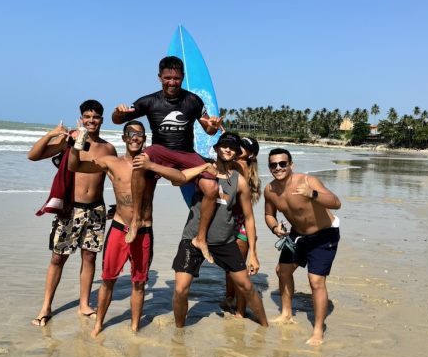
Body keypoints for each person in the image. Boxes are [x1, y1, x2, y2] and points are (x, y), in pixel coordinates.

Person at [67, 120, 214, 337]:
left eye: (139, 135)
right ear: (124, 138)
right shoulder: (112, 162)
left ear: (145, 140)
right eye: (130, 134)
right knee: (108, 279)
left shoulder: (150, 165)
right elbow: (74, 166)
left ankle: (135, 326)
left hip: (144, 230)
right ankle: (99, 324)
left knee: (139, 282)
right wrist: (78, 141)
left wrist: (199, 166)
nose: (135, 137)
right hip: (119, 228)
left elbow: (179, 179)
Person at [137, 132, 267, 328]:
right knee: (180, 289)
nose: (227, 149)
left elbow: (249, 218)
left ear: (236, 152)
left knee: (247, 286)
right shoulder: (201, 170)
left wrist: (254, 254)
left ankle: (265, 326)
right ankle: (179, 331)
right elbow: (177, 180)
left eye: (232, 147)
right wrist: (203, 167)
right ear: (216, 149)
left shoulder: (239, 180)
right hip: (192, 238)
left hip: (224, 240)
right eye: (223, 145)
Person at [112, 56, 222, 262]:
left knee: (212, 188)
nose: (172, 82)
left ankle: (201, 238)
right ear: (159, 77)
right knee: (140, 162)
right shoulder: (149, 101)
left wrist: (213, 126)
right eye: (167, 78)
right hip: (160, 151)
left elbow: (208, 129)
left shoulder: (193, 101)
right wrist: (118, 113)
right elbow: (118, 119)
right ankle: (135, 220)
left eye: (176, 78)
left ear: (183, 78)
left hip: (186, 153)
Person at [28, 100, 116, 327]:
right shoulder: (70, 140)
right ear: (81, 118)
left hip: (96, 209)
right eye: (87, 116)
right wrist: (52, 134)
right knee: (58, 257)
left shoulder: (108, 148)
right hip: (71, 209)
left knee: (89, 257)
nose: (91, 120)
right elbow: (34, 155)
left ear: (102, 120)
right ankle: (46, 306)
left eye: (95, 117)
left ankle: (84, 305)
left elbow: (117, 178)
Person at [263, 148, 342, 345]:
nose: (278, 168)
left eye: (283, 163)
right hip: (298, 235)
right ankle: (287, 314)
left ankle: (318, 331)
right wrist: (275, 227)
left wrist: (312, 194)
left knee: (315, 281)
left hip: (324, 235)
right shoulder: (270, 190)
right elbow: (268, 214)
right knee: (282, 271)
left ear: (291, 165)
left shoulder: (307, 181)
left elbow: (336, 202)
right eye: (273, 165)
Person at [225, 136, 261, 317]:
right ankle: (230, 299)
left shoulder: (239, 168)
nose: (238, 148)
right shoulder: (233, 164)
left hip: (238, 224)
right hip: (232, 222)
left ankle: (240, 310)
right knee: (230, 268)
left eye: (242, 147)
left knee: (237, 271)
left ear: (251, 154)